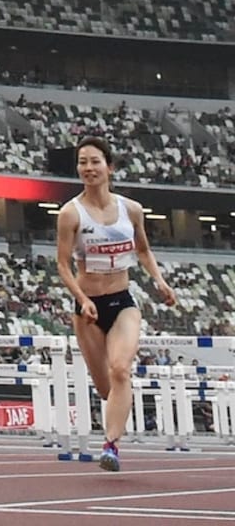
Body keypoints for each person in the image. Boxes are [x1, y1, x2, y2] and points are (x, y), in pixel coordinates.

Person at [56, 136, 176, 472]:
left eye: (94, 161)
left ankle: (111, 447)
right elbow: (62, 265)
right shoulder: (70, 214)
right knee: (107, 388)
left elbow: (143, 250)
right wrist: (81, 299)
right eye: (82, 162)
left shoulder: (131, 209)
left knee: (122, 369)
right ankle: (114, 428)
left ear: (110, 167)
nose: (88, 168)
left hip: (123, 301)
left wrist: (160, 281)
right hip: (88, 309)